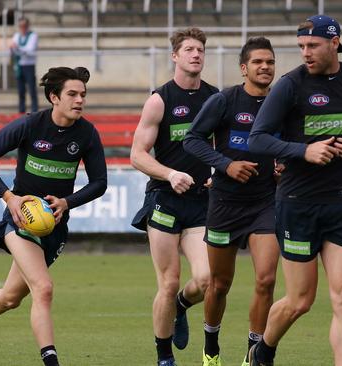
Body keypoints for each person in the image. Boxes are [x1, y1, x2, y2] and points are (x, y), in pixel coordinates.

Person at [0, 66, 107, 366]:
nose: (79, 100)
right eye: (72, 94)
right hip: (20, 222)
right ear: (53, 97)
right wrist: (10, 197)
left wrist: (67, 203)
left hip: (54, 228)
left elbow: (100, 183)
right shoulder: (31, 125)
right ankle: (51, 361)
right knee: (43, 289)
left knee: (10, 298)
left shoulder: (87, 133)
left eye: (83, 94)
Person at [248, 15, 342, 366]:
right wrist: (303, 150)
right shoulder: (290, 85)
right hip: (297, 205)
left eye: (312, 45)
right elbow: (258, 138)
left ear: (334, 43)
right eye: (301, 46)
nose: (305, 53)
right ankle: (265, 348)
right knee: (300, 300)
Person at [183, 37, 280, 366]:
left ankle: (254, 354)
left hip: (266, 202)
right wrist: (226, 165)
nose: (265, 67)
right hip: (225, 204)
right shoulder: (224, 101)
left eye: (269, 61)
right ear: (244, 68)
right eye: (258, 62)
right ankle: (211, 347)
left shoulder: (281, 102)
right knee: (220, 284)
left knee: (266, 279)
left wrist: (284, 166)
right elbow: (191, 140)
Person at [130, 27, 218, 366]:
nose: (196, 55)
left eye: (200, 50)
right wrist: (170, 173)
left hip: (201, 202)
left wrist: (218, 172)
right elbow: (137, 154)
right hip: (165, 201)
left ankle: (183, 306)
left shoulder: (216, 98)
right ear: (175, 56)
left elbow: (224, 146)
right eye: (189, 50)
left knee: (207, 279)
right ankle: (164, 357)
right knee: (168, 282)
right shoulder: (160, 99)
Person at [10, 17, 39, 113]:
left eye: (24, 26)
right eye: (20, 26)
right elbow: (13, 49)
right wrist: (16, 49)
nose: (22, 28)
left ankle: (34, 111)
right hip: (19, 66)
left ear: (27, 26)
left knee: (32, 90)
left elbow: (30, 50)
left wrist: (18, 48)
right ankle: (21, 111)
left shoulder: (33, 35)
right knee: (21, 91)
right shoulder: (17, 35)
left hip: (29, 66)